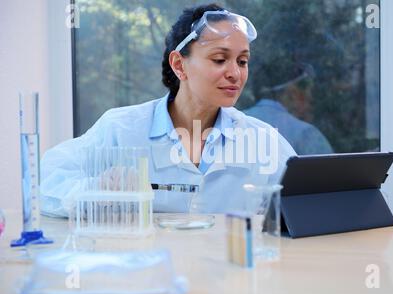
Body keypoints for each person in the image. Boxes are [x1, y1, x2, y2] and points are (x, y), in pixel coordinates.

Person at [40, 3, 296, 217]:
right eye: (219, 59)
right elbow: (46, 182)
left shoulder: (263, 141)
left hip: (230, 274)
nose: (235, 73)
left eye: (242, 61)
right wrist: (96, 190)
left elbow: (308, 198)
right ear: (179, 64)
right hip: (152, 273)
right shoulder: (122, 129)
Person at [244, 63, 333, 155]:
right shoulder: (305, 134)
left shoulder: (232, 124)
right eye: (307, 90)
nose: (310, 98)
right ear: (292, 93)